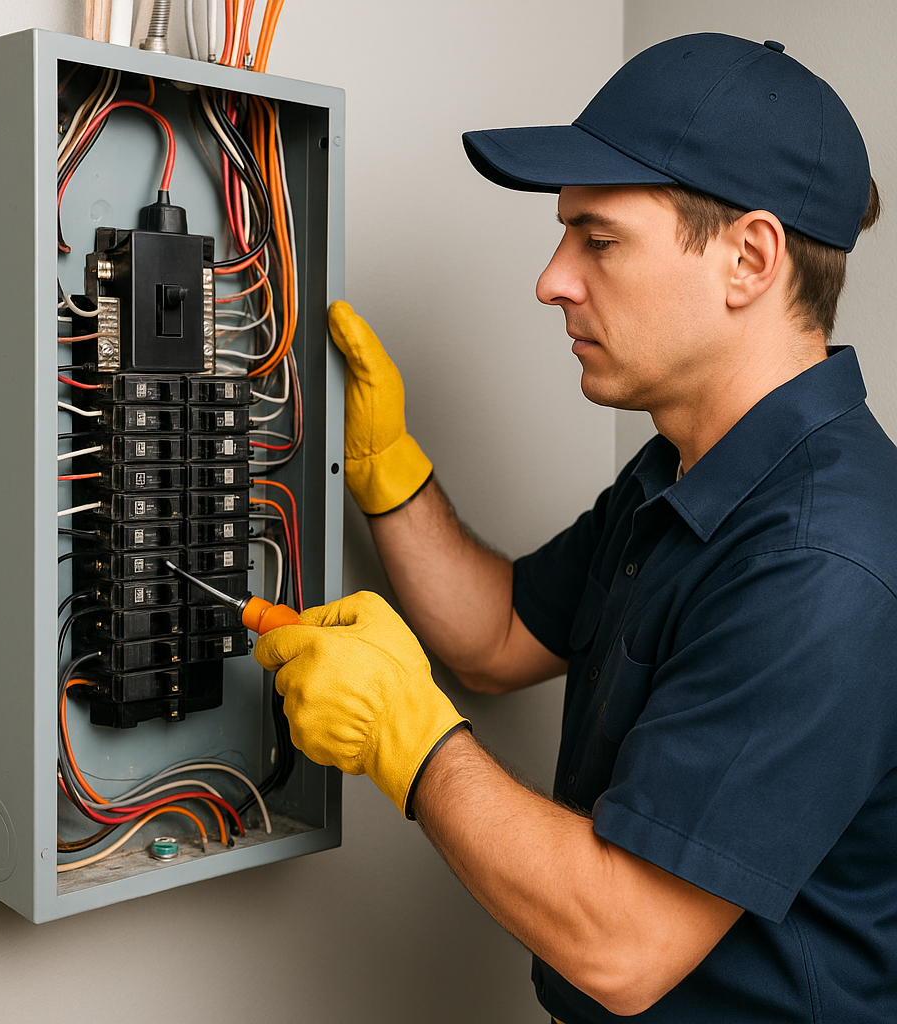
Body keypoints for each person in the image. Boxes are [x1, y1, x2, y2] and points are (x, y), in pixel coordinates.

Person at [256, 32, 895, 1023]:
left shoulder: (819, 560)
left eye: (597, 239)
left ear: (749, 259)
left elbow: (624, 940)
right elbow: (495, 634)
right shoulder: (684, 470)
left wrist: (407, 735)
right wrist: (388, 472)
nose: (552, 279)